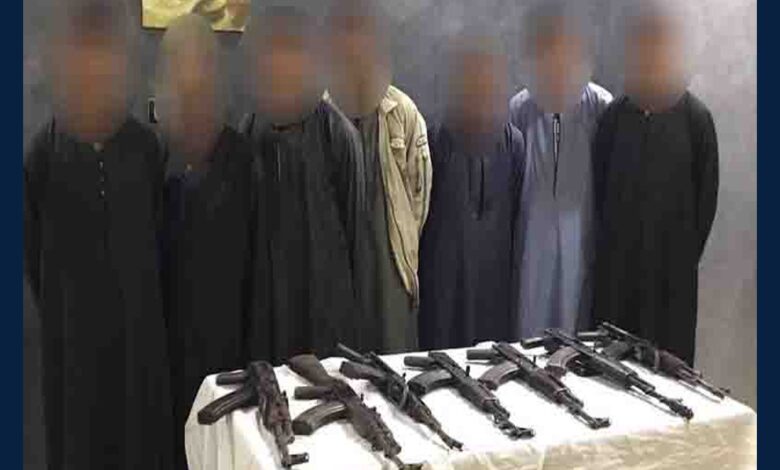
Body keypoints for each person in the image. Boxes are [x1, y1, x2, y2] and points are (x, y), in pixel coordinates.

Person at [23, 2, 173, 468]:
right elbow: (34, 255)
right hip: (73, 337)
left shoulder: (145, 148)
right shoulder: (45, 152)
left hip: (137, 337)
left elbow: (160, 239)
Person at [592, 2, 718, 363]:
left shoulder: (696, 119)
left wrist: (678, 255)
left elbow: (704, 203)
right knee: (611, 371)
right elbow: (600, 190)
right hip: (619, 269)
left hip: (670, 274)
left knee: (667, 371)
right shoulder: (614, 117)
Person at [155, 14, 255, 467]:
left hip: (232, 349)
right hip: (168, 352)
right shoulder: (155, 158)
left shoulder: (243, 160)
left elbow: (258, 262)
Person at [240, 5, 367, 362]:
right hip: (268, 300)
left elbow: (355, 233)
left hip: (323, 303)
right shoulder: (252, 127)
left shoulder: (337, 134)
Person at [325, 0, 432, 352]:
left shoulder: (402, 112)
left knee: (393, 353)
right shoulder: (322, 114)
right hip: (340, 263)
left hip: (391, 266)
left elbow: (419, 197)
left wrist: (399, 239)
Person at [510, 0, 613, 338]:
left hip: (581, 236)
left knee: (576, 325)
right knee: (528, 326)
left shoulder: (600, 107)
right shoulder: (520, 108)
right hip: (532, 241)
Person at [419, 37, 525, 350]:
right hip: (445, 276)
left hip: (495, 273)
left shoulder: (514, 142)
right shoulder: (438, 138)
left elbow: (516, 209)